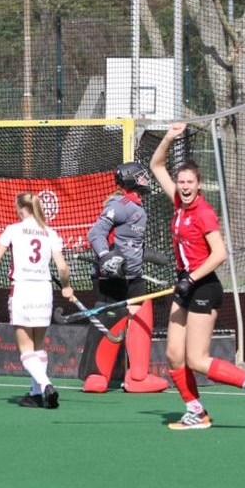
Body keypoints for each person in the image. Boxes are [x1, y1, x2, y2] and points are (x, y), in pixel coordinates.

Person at [149, 122, 245, 430]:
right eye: (180, 181)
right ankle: (196, 411)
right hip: (185, 284)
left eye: (189, 182)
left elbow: (220, 254)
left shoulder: (204, 213)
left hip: (204, 287)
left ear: (199, 184)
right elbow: (156, 165)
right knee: (172, 354)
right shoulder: (179, 205)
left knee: (197, 359)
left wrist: (191, 279)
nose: (183, 186)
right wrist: (168, 137)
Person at [80, 162, 170, 394]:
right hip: (113, 277)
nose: (145, 179)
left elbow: (128, 241)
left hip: (132, 277)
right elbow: (96, 233)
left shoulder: (137, 206)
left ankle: (138, 377)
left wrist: (146, 254)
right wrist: (105, 257)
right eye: (141, 176)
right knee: (112, 318)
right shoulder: (121, 205)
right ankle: (96, 376)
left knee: (142, 312)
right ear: (131, 179)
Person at [0, 192, 74, 409]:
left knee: (26, 349)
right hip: (44, 290)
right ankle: (36, 394)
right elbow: (62, 267)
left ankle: (45, 385)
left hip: (23, 288)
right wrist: (66, 287)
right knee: (38, 345)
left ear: (19, 208)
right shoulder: (50, 232)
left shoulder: (13, 229)